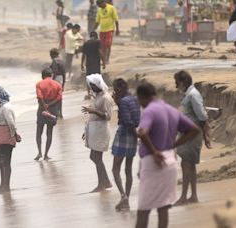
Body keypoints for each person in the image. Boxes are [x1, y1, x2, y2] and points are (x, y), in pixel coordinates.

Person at [135, 82, 200, 228]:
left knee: (143, 211)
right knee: (163, 208)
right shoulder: (171, 110)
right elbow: (194, 129)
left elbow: (142, 132)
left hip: (153, 162)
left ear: (142, 97)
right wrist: (173, 145)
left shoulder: (150, 111)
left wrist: (154, 151)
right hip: (170, 161)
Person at [173, 71, 212, 206]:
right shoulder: (187, 94)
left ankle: (184, 197)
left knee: (186, 164)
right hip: (188, 133)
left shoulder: (192, 95)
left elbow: (202, 115)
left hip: (192, 133)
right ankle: (193, 196)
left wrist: (206, 135)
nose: (175, 85)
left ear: (183, 82)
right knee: (189, 164)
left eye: (177, 82)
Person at [111, 78, 140, 210]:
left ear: (119, 89)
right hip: (133, 134)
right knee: (128, 169)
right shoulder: (134, 99)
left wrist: (118, 103)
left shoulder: (122, 101)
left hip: (124, 134)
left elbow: (126, 121)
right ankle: (126, 198)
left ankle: (123, 196)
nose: (114, 92)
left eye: (115, 90)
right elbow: (136, 118)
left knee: (115, 168)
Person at [82, 74, 114, 192]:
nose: (91, 88)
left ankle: (102, 184)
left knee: (97, 157)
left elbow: (108, 116)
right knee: (93, 156)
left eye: (92, 86)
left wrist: (92, 110)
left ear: (98, 85)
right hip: (95, 129)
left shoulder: (105, 98)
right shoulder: (98, 96)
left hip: (101, 130)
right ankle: (106, 181)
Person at [0, 86, 21, 194]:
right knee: (1, 161)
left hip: (5, 138)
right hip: (1, 137)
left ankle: (6, 186)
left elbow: (11, 123)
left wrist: (14, 134)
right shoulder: (2, 106)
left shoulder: (6, 107)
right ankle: (2, 185)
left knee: (5, 162)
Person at [34, 68, 63, 161]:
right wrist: (50, 105)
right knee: (49, 133)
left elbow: (39, 97)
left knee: (39, 132)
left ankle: (39, 152)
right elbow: (59, 98)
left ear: (43, 76)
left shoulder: (39, 84)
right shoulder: (58, 85)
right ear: (51, 75)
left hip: (42, 109)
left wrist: (45, 106)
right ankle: (46, 154)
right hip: (53, 109)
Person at [94, 0, 119, 64]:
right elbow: (97, 21)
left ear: (103, 2)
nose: (100, 7)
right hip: (102, 30)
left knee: (108, 44)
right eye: (98, 6)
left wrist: (117, 29)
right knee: (102, 46)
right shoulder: (99, 10)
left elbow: (116, 19)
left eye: (100, 5)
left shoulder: (111, 8)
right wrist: (93, 29)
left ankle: (107, 59)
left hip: (110, 29)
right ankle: (103, 59)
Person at [81, 31, 105, 97]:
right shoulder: (98, 42)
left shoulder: (86, 43)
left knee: (89, 78)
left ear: (90, 36)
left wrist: (82, 64)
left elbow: (83, 55)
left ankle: (89, 93)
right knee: (97, 77)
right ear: (96, 36)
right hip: (96, 63)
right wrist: (104, 62)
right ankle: (98, 92)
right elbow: (100, 52)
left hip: (88, 63)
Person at [49, 48, 66, 118]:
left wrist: (51, 81)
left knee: (55, 97)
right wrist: (64, 83)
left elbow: (55, 72)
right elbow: (64, 72)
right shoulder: (61, 61)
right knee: (60, 96)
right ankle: (60, 112)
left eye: (50, 55)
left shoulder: (54, 61)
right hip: (61, 78)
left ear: (53, 54)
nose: (50, 56)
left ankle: (57, 112)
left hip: (56, 79)